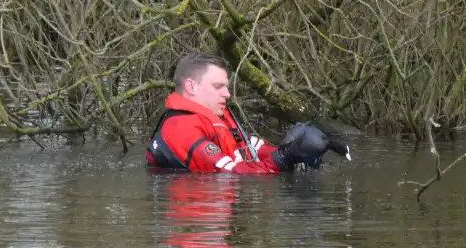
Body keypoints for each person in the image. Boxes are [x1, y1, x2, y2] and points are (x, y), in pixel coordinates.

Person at [145, 52, 348, 173]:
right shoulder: (181, 129)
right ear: (192, 86)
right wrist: (284, 159)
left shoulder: (218, 118)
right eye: (218, 86)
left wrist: (296, 151)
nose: (228, 94)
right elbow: (233, 175)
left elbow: (250, 148)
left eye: (226, 86)